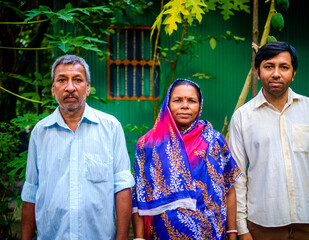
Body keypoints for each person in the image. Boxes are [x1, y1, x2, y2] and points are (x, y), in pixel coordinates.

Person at [229, 41, 309, 240]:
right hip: (261, 225)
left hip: (307, 222)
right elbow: (237, 176)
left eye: (284, 67)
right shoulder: (242, 117)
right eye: (269, 66)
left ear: (293, 73)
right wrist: (241, 227)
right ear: (257, 71)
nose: (276, 73)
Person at [21, 55, 135, 239]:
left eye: (78, 80)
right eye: (62, 80)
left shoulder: (111, 128)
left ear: (88, 88)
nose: (70, 87)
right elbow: (31, 192)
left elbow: (122, 188)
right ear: (53, 89)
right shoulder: (40, 133)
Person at [132, 79, 242, 240]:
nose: (185, 105)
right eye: (177, 100)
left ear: (200, 105)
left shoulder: (214, 141)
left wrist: (232, 233)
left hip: (210, 234)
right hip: (164, 234)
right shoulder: (148, 145)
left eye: (192, 101)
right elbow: (139, 197)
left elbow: (229, 189)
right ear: (167, 105)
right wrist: (139, 238)